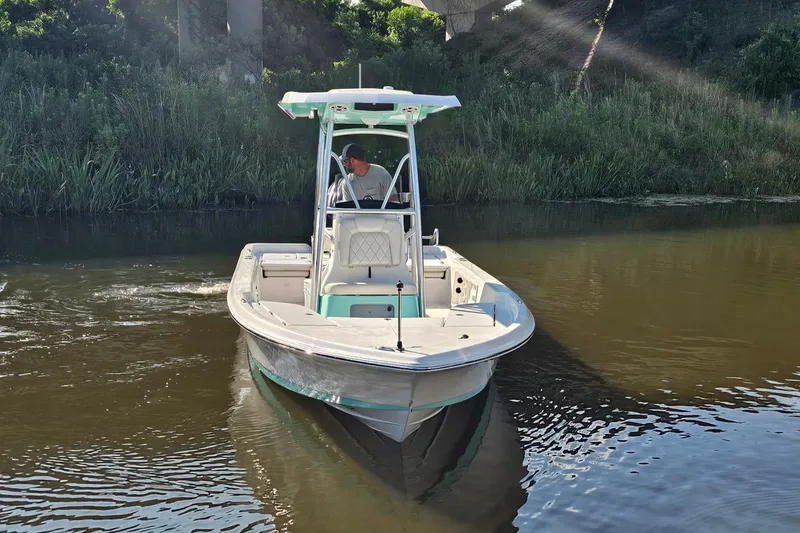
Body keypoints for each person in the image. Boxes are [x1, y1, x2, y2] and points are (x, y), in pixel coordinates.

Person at [327, 143, 398, 206]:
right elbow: (348, 211)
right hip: (356, 220)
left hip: (382, 220)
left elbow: (394, 202)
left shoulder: (381, 173)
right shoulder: (346, 182)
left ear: (352, 160)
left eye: (345, 161)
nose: (344, 165)